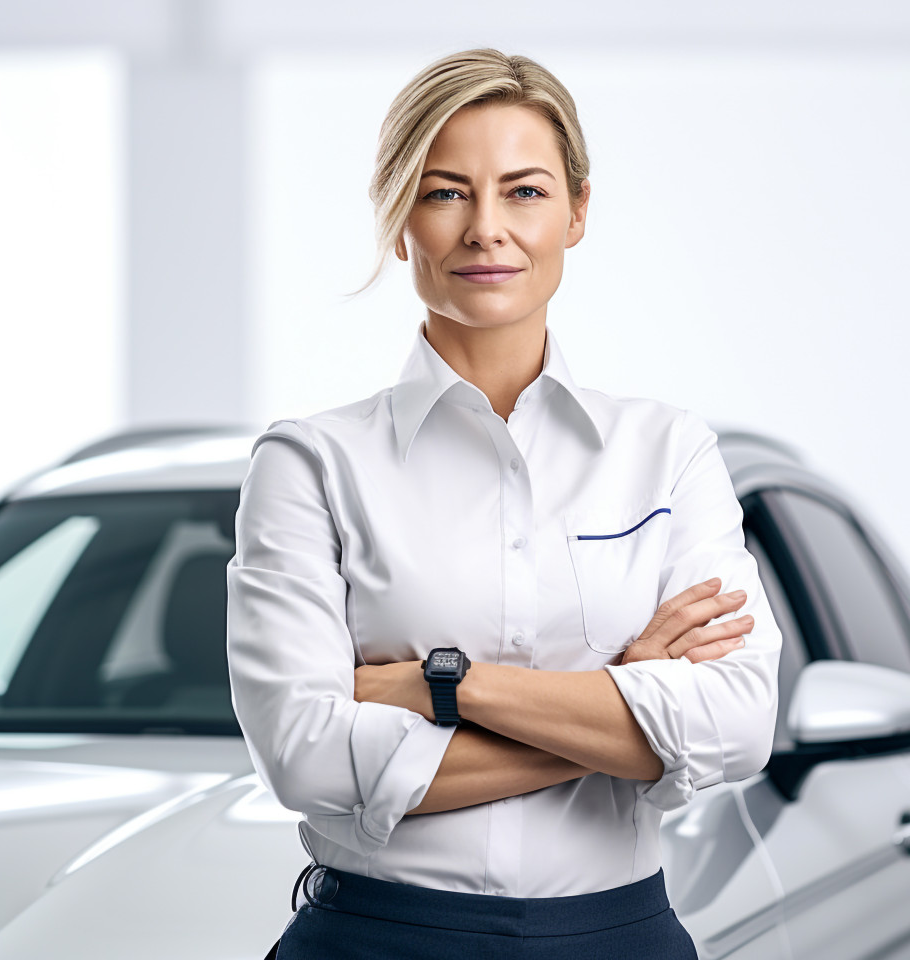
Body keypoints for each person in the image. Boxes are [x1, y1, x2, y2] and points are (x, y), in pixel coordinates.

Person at [226, 47, 782, 960]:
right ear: (401, 221)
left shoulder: (669, 452)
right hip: (376, 940)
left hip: (618, 938)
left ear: (578, 211)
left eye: (524, 191)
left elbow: (735, 723)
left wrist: (446, 685)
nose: (487, 228)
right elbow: (304, 755)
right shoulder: (311, 464)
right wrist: (624, 697)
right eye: (446, 193)